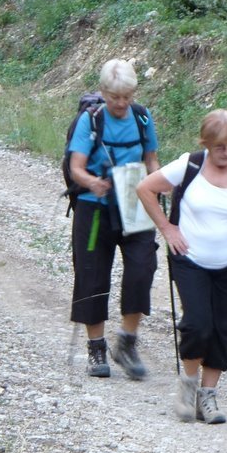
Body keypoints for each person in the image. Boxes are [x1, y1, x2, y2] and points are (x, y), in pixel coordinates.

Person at [137, 110, 227, 425]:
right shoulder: (190, 165)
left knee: (225, 330)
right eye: (221, 147)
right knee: (198, 323)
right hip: (191, 258)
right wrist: (168, 229)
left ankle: (208, 396)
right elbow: (145, 188)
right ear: (206, 143)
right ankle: (188, 385)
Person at [68, 59, 159, 381]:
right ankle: (96, 348)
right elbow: (76, 165)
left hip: (135, 201)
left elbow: (151, 160)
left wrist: (157, 187)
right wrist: (91, 182)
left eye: (127, 96)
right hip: (96, 206)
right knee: (92, 274)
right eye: (115, 97)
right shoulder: (90, 121)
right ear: (103, 92)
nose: (121, 104)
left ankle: (127, 342)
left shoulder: (142, 117)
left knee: (143, 267)